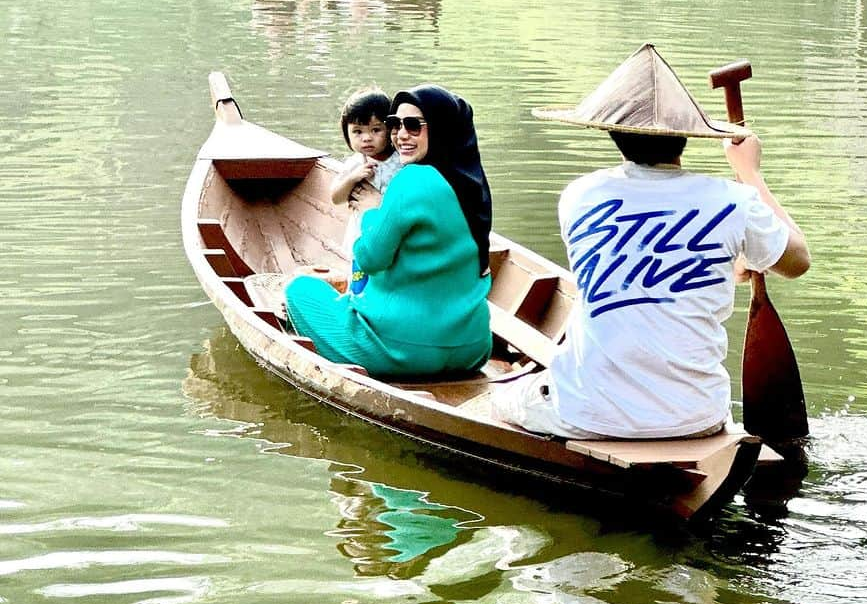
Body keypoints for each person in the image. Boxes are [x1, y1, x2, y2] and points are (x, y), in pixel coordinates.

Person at [492, 44, 810, 441]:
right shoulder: (734, 200)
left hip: (590, 414)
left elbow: (633, 257)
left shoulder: (579, 196)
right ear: (684, 135)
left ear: (612, 132)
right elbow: (798, 261)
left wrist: (728, 266)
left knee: (501, 399)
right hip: (698, 418)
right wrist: (749, 173)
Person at [284, 85, 492, 378]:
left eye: (413, 126)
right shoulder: (473, 183)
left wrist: (372, 209)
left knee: (299, 290)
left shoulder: (411, 181)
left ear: (441, 128)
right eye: (395, 124)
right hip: (472, 348)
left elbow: (370, 259)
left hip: (399, 351)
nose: (401, 135)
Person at [329, 86, 402, 266]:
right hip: (360, 233)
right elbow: (336, 198)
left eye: (376, 130)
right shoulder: (355, 163)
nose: (366, 138)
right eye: (357, 131)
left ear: (391, 129)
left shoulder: (401, 161)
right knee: (358, 276)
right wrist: (352, 178)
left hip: (390, 234)